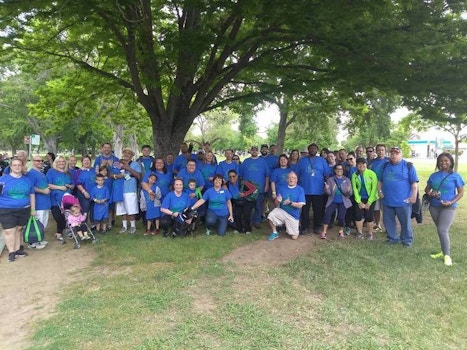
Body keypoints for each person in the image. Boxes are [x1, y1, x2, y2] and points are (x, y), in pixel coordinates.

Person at [425, 153, 464, 266]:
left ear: (451, 162)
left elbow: (461, 192)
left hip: (449, 207)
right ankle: (443, 252)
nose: (443, 163)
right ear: (438, 163)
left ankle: (447, 256)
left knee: (442, 229)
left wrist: (451, 202)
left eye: (446, 161)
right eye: (441, 161)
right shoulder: (434, 176)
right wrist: (431, 193)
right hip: (434, 206)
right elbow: (427, 189)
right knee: (440, 230)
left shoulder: (455, 176)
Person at [378, 147, 419, 246]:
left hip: (403, 201)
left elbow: (414, 184)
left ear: (401, 154)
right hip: (387, 200)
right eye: (392, 153)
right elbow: (380, 181)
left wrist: (414, 196)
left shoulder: (408, 166)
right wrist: (379, 191)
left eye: (396, 153)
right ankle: (392, 239)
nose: (394, 155)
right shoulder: (384, 166)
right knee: (388, 221)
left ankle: (406, 241)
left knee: (405, 222)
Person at [0, 157, 35, 262]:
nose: (17, 167)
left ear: (22, 166)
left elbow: (32, 195)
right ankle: (11, 252)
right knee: (9, 231)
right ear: (10, 166)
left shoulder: (27, 180)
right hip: (6, 209)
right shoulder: (3, 180)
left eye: (19, 165)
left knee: (19, 229)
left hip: (24, 209)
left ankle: (17, 249)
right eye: (15, 165)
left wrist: (33, 209)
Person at [296, 143, 328, 234]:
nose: (312, 150)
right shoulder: (302, 160)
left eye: (314, 148)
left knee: (318, 209)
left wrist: (326, 185)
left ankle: (317, 226)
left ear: (317, 150)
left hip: (318, 190)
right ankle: (305, 227)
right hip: (304, 190)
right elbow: (297, 174)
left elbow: (326, 174)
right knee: (304, 210)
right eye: (311, 148)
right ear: (308, 150)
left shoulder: (322, 160)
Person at [266, 172, 306, 241]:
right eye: (289, 177)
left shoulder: (300, 190)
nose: (291, 179)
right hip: (282, 211)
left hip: (293, 216)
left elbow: (300, 205)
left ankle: (289, 227)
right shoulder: (282, 188)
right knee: (271, 215)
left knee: (294, 237)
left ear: (296, 180)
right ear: (287, 179)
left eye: (293, 178)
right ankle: (275, 232)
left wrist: (290, 203)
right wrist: (278, 201)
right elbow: (276, 204)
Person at [240, 145, 270, 229]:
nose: (254, 151)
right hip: (247, 189)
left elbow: (267, 175)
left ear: (258, 151)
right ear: (250, 151)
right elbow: (241, 176)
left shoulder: (263, 161)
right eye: (253, 150)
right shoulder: (246, 161)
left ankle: (256, 222)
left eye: (256, 150)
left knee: (258, 206)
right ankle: (247, 221)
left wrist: (267, 185)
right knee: (248, 206)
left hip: (259, 188)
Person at [26, 155, 51, 249]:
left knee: (43, 222)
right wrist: (43, 191)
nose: (40, 162)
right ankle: (33, 242)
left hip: (45, 202)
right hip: (38, 202)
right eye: (38, 161)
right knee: (37, 222)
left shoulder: (41, 172)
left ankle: (39, 239)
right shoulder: (31, 173)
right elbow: (30, 187)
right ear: (33, 161)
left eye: (42, 161)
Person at [114, 148, 142, 234]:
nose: (126, 154)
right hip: (120, 189)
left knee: (131, 208)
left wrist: (128, 168)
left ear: (132, 155)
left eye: (129, 153)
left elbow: (139, 176)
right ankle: (124, 226)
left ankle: (133, 226)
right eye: (125, 152)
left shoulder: (135, 164)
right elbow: (114, 172)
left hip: (130, 189)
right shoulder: (119, 164)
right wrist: (116, 175)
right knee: (122, 209)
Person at [47, 156, 74, 241]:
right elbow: (48, 184)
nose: (61, 163)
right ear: (56, 162)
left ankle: (59, 232)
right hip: (55, 198)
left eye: (63, 161)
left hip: (67, 198)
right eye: (59, 161)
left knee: (66, 215)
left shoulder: (68, 172)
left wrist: (69, 186)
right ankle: (61, 230)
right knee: (58, 216)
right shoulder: (51, 171)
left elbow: (73, 185)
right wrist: (60, 187)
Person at [322, 164, 352, 239]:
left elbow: (349, 194)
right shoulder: (331, 180)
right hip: (332, 200)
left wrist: (348, 191)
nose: (339, 171)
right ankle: (324, 232)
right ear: (335, 170)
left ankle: (341, 231)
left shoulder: (347, 180)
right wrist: (326, 189)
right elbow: (329, 193)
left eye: (341, 169)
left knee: (341, 217)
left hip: (343, 201)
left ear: (343, 170)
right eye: (337, 169)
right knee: (327, 214)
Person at [351, 158, 378, 240]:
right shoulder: (354, 175)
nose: (361, 165)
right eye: (359, 164)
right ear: (356, 165)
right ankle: (359, 233)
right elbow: (354, 189)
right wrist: (359, 201)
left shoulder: (372, 173)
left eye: (363, 164)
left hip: (371, 198)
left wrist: (369, 202)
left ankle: (370, 234)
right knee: (358, 215)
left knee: (369, 216)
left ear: (366, 165)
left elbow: (374, 188)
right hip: (359, 198)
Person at [227, 169, 257, 234]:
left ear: (237, 176)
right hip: (237, 201)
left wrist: (244, 194)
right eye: (230, 177)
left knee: (246, 213)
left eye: (234, 176)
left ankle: (247, 229)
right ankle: (238, 229)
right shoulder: (227, 184)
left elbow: (253, 188)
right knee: (237, 214)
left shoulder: (242, 182)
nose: (232, 178)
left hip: (247, 200)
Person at [368, 144, 388, 232]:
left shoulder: (389, 161)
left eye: (382, 150)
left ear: (385, 151)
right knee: (376, 208)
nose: (381, 152)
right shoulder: (372, 162)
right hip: (374, 187)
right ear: (376, 151)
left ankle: (387, 226)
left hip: (386, 187)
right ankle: (378, 224)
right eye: (379, 150)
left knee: (386, 208)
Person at [75, 155, 97, 225]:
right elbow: (77, 183)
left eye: (88, 160)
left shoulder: (94, 170)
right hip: (84, 194)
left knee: (93, 210)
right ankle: (84, 226)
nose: (87, 162)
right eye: (85, 160)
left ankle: (93, 225)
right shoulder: (79, 171)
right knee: (85, 210)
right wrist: (84, 192)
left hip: (94, 193)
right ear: (82, 162)